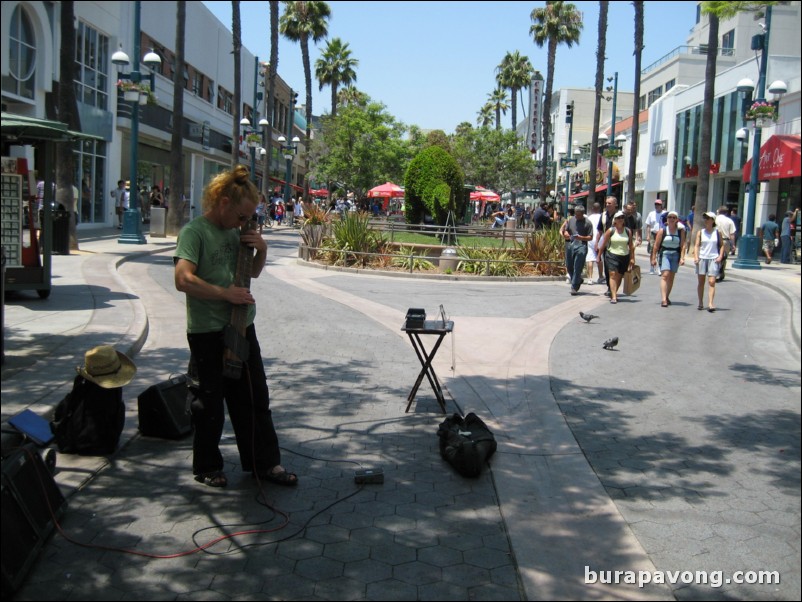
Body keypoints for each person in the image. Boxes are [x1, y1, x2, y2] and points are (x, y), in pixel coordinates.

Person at [174, 165, 296, 489]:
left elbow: (252, 274)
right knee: (209, 401)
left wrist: (263, 250)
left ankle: (264, 463)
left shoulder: (236, 231)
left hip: (242, 326)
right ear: (223, 202)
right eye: (241, 216)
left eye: (248, 218)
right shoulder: (194, 232)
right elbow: (182, 279)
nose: (244, 223)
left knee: (254, 397)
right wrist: (223, 294)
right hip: (206, 330)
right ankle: (207, 466)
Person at [598, 210, 635, 304]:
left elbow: (631, 246)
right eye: (619, 218)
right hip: (611, 255)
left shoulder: (628, 231)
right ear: (615, 220)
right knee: (613, 274)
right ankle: (614, 296)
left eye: (622, 217)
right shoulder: (611, 230)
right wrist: (598, 256)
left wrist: (632, 258)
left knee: (619, 276)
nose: (621, 219)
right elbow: (603, 244)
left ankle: (614, 292)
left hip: (624, 256)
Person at [650, 210, 686, 307]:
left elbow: (682, 245)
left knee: (671, 277)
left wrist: (682, 257)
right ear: (667, 219)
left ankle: (666, 296)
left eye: (674, 218)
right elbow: (656, 246)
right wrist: (653, 258)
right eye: (670, 217)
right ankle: (663, 299)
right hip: (665, 253)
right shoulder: (663, 231)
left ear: (677, 220)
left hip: (675, 254)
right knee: (665, 275)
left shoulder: (680, 231)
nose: (671, 219)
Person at [693, 211, 727, 312]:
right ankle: (700, 302)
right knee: (701, 281)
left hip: (713, 258)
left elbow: (721, 245)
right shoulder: (701, 232)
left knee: (712, 281)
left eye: (708, 218)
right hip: (702, 258)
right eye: (705, 218)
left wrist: (720, 256)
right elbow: (697, 245)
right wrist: (696, 256)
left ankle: (711, 303)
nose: (706, 220)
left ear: (713, 220)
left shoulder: (717, 233)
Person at [560, 203, 594, 295]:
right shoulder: (571, 220)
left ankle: (574, 287)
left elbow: (590, 237)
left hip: (581, 246)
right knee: (569, 265)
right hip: (570, 245)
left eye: (579, 214)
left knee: (577, 267)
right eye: (576, 214)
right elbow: (566, 230)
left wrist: (581, 237)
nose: (577, 216)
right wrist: (566, 233)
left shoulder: (588, 223)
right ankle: (578, 279)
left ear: (583, 213)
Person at [597, 196, 619, 288]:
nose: (607, 205)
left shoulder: (620, 215)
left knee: (616, 267)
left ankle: (614, 286)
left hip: (617, 244)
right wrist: (596, 243)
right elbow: (600, 230)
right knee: (607, 266)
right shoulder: (603, 215)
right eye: (606, 203)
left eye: (609, 203)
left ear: (615, 204)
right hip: (606, 244)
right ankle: (610, 287)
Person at [644, 199, 665, 273]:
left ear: (661, 205)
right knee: (652, 250)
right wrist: (648, 235)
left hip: (662, 233)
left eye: (658, 204)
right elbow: (648, 225)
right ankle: (652, 266)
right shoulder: (651, 214)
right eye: (656, 204)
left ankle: (659, 267)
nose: (657, 206)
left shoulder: (664, 213)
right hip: (653, 234)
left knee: (660, 251)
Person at [715, 205, 736, 281]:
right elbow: (732, 234)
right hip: (725, 241)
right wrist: (733, 244)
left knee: (715, 256)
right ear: (726, 212)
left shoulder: (715, 219)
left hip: (715, 240)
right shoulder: (729, 221)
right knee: (723, 257)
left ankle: (716, 272)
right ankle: (720, 271)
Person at [585, 202, 602, 284]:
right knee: (599, 258)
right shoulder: (602, 217)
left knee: (590, 259)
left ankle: (590, 278)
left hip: (590, 238)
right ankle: (601, 276)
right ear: (599, 209)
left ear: (592, 209)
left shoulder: (589, 218)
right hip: (599, 239)